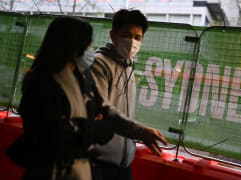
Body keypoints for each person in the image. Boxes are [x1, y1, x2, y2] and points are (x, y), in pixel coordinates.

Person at [6, 16, 167, 180]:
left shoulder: (83, 79)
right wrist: (96, 127)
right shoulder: (40, 82)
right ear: (70, 45)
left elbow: (104, 111)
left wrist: (137, 131)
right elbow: (56, 135)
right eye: (87, 44)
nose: (91, 49)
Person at [89, 9, 155, 180]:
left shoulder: (129, 67)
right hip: (98, 162)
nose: (132, 42)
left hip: (124, 164)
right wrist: (139, 131)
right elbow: (104, 108)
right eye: (126, 35)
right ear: (113, 35)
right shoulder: (99, 63)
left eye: (137, 37)